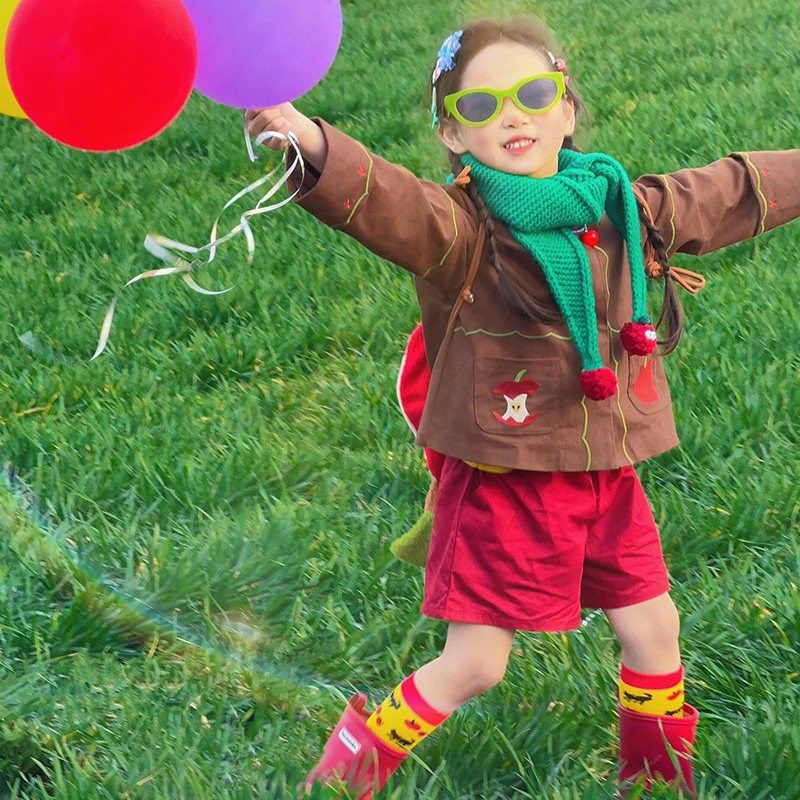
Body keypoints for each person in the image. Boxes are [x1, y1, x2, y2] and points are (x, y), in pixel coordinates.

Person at [244, 15, 800, 799]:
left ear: (567, 109)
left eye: (534, 94)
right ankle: (345, 775)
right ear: (453, 134)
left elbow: (732, 190)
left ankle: (655, 783)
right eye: (482, 107)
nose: (514, 115)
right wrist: (311, 141)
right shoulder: (460, 232)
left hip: (606, 474)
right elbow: (387, 202)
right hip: (506, 481)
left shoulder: (622, 205)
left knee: (655, 629)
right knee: (477, 664)